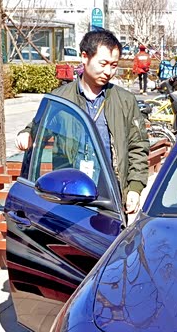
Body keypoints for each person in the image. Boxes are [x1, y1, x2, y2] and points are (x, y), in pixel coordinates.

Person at [16, 29, 149, 214]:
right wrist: (26, 135)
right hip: (68, 196)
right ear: (85, 57)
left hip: (110, 198)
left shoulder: (125, 101)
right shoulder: (61, 99)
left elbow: (138, 146)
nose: (108, 71)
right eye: (103, 64)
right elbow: (37, 128)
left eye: (113, 65)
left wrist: (134, 188)